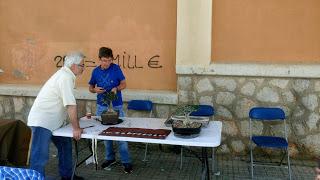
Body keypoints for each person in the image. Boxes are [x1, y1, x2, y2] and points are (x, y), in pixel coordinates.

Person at [27, 52, 86, 180]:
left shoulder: (66, 75)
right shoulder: (65, 77)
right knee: (40, 156)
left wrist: (73, 126)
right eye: (82, 65)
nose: (83, 68)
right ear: (73, 66)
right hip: (42, 121)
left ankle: (67, 176)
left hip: (54, 122)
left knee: (65, 146)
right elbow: (70, 105)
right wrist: (76, 128)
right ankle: (35, 178)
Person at [88, 47, 132, 173]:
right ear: (99, 59)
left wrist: (116, 89)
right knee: (105, 134)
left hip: (116, 105)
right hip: (102, 106)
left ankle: (126, 161)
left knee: (121, 134)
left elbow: (124, 84)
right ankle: (110, 158)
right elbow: (90, 87)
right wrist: (94, 90)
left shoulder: (116, 68)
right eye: (103, 60)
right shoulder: (95, 71)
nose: (106, 63)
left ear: (112, 59)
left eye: (108, 60)